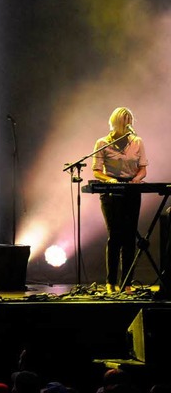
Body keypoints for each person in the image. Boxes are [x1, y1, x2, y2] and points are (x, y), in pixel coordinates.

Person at [92, 107, 148, 294]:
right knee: (115, 236)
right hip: (111, 190)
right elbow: (97, 171)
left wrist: (137, 179)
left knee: (130, 238)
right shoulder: (102, 142)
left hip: (131, 188)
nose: (129, 122)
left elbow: (142, 168)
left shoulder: (137, 141)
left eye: (130, 119)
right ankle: (110, 282)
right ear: (116, 121)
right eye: (125, 119)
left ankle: (127, 283)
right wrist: (111, 180)